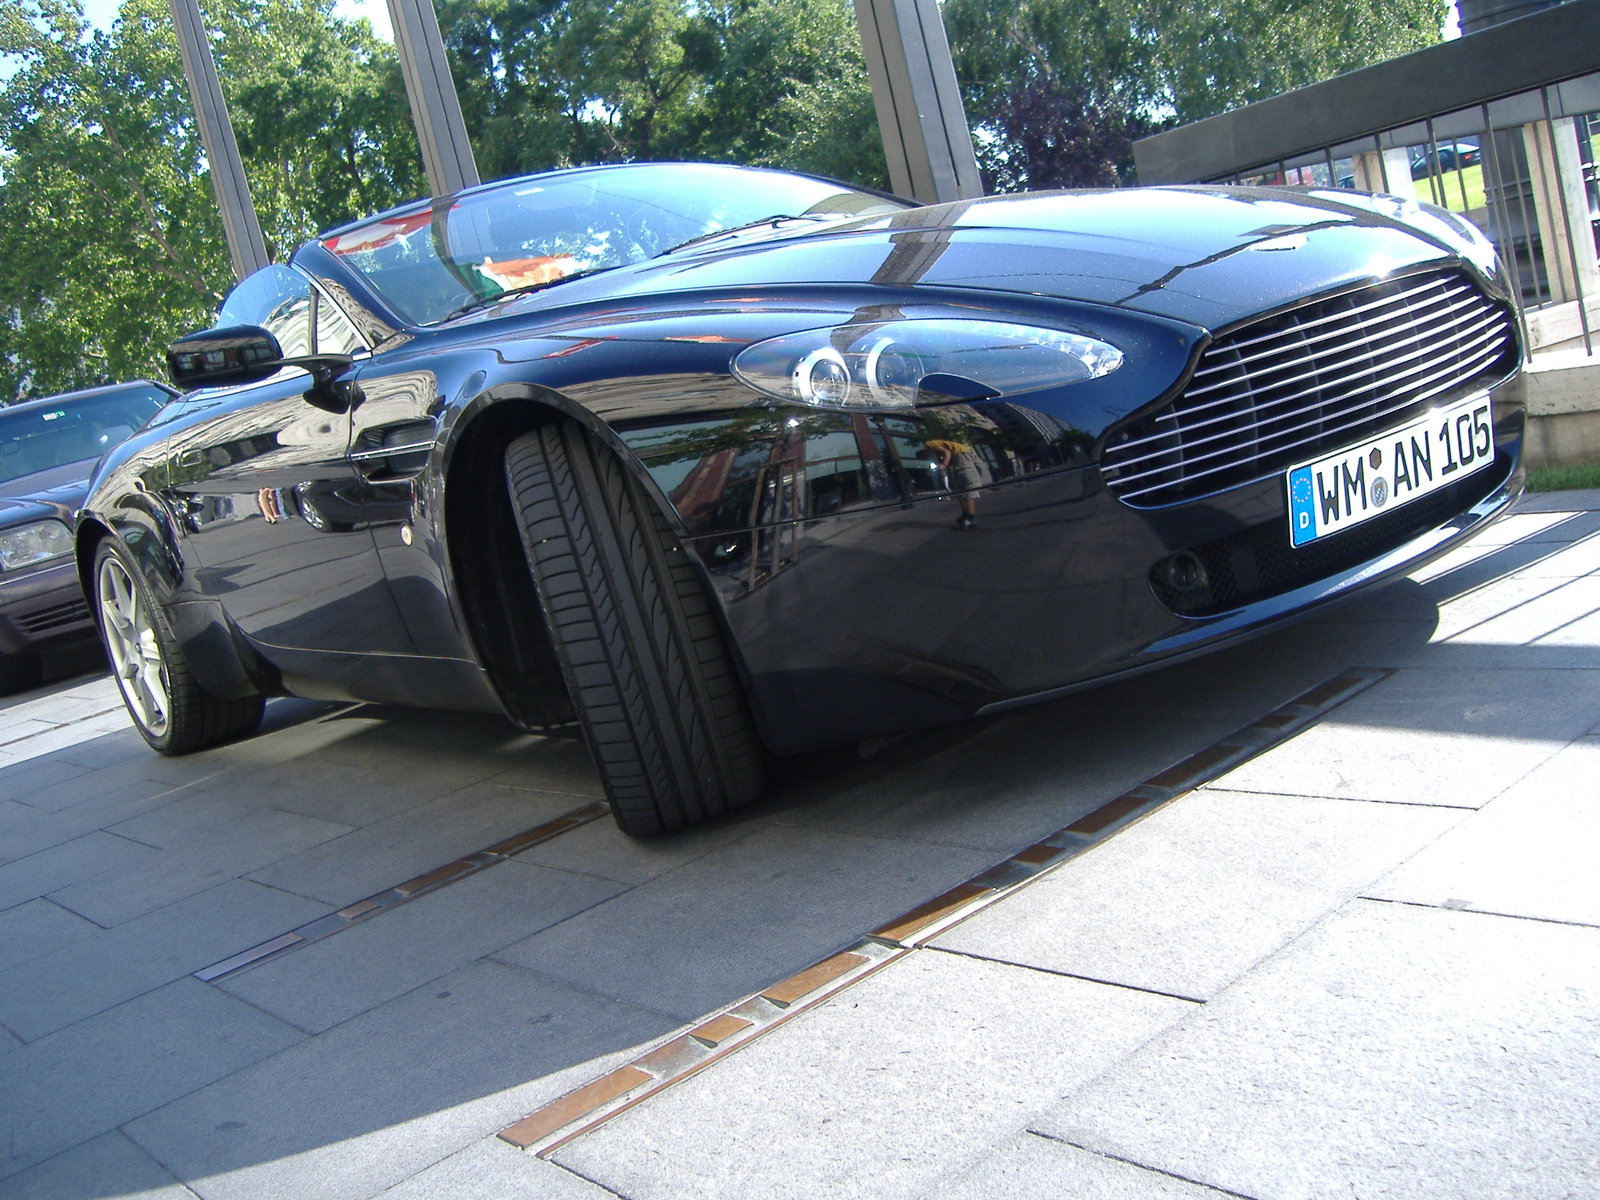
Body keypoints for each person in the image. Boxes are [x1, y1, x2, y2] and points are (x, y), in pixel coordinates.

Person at [925, 436, 988, 529]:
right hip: (958, 455)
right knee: (959, 490)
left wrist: (944, 465)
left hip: (963, 454)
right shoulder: (934, 449)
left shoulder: (930, 445)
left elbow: (947, 452)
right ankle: (965, 514)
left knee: (969, 489)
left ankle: (970, 517)